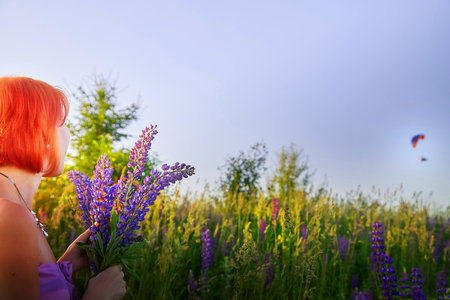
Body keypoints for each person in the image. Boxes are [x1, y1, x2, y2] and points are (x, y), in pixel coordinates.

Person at [0, 76, 127, 300]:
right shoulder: (10, 216)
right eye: (61, 123)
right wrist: (97, 296)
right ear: (38, 132)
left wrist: (64, 265)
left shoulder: (16, 210)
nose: (67, 133)